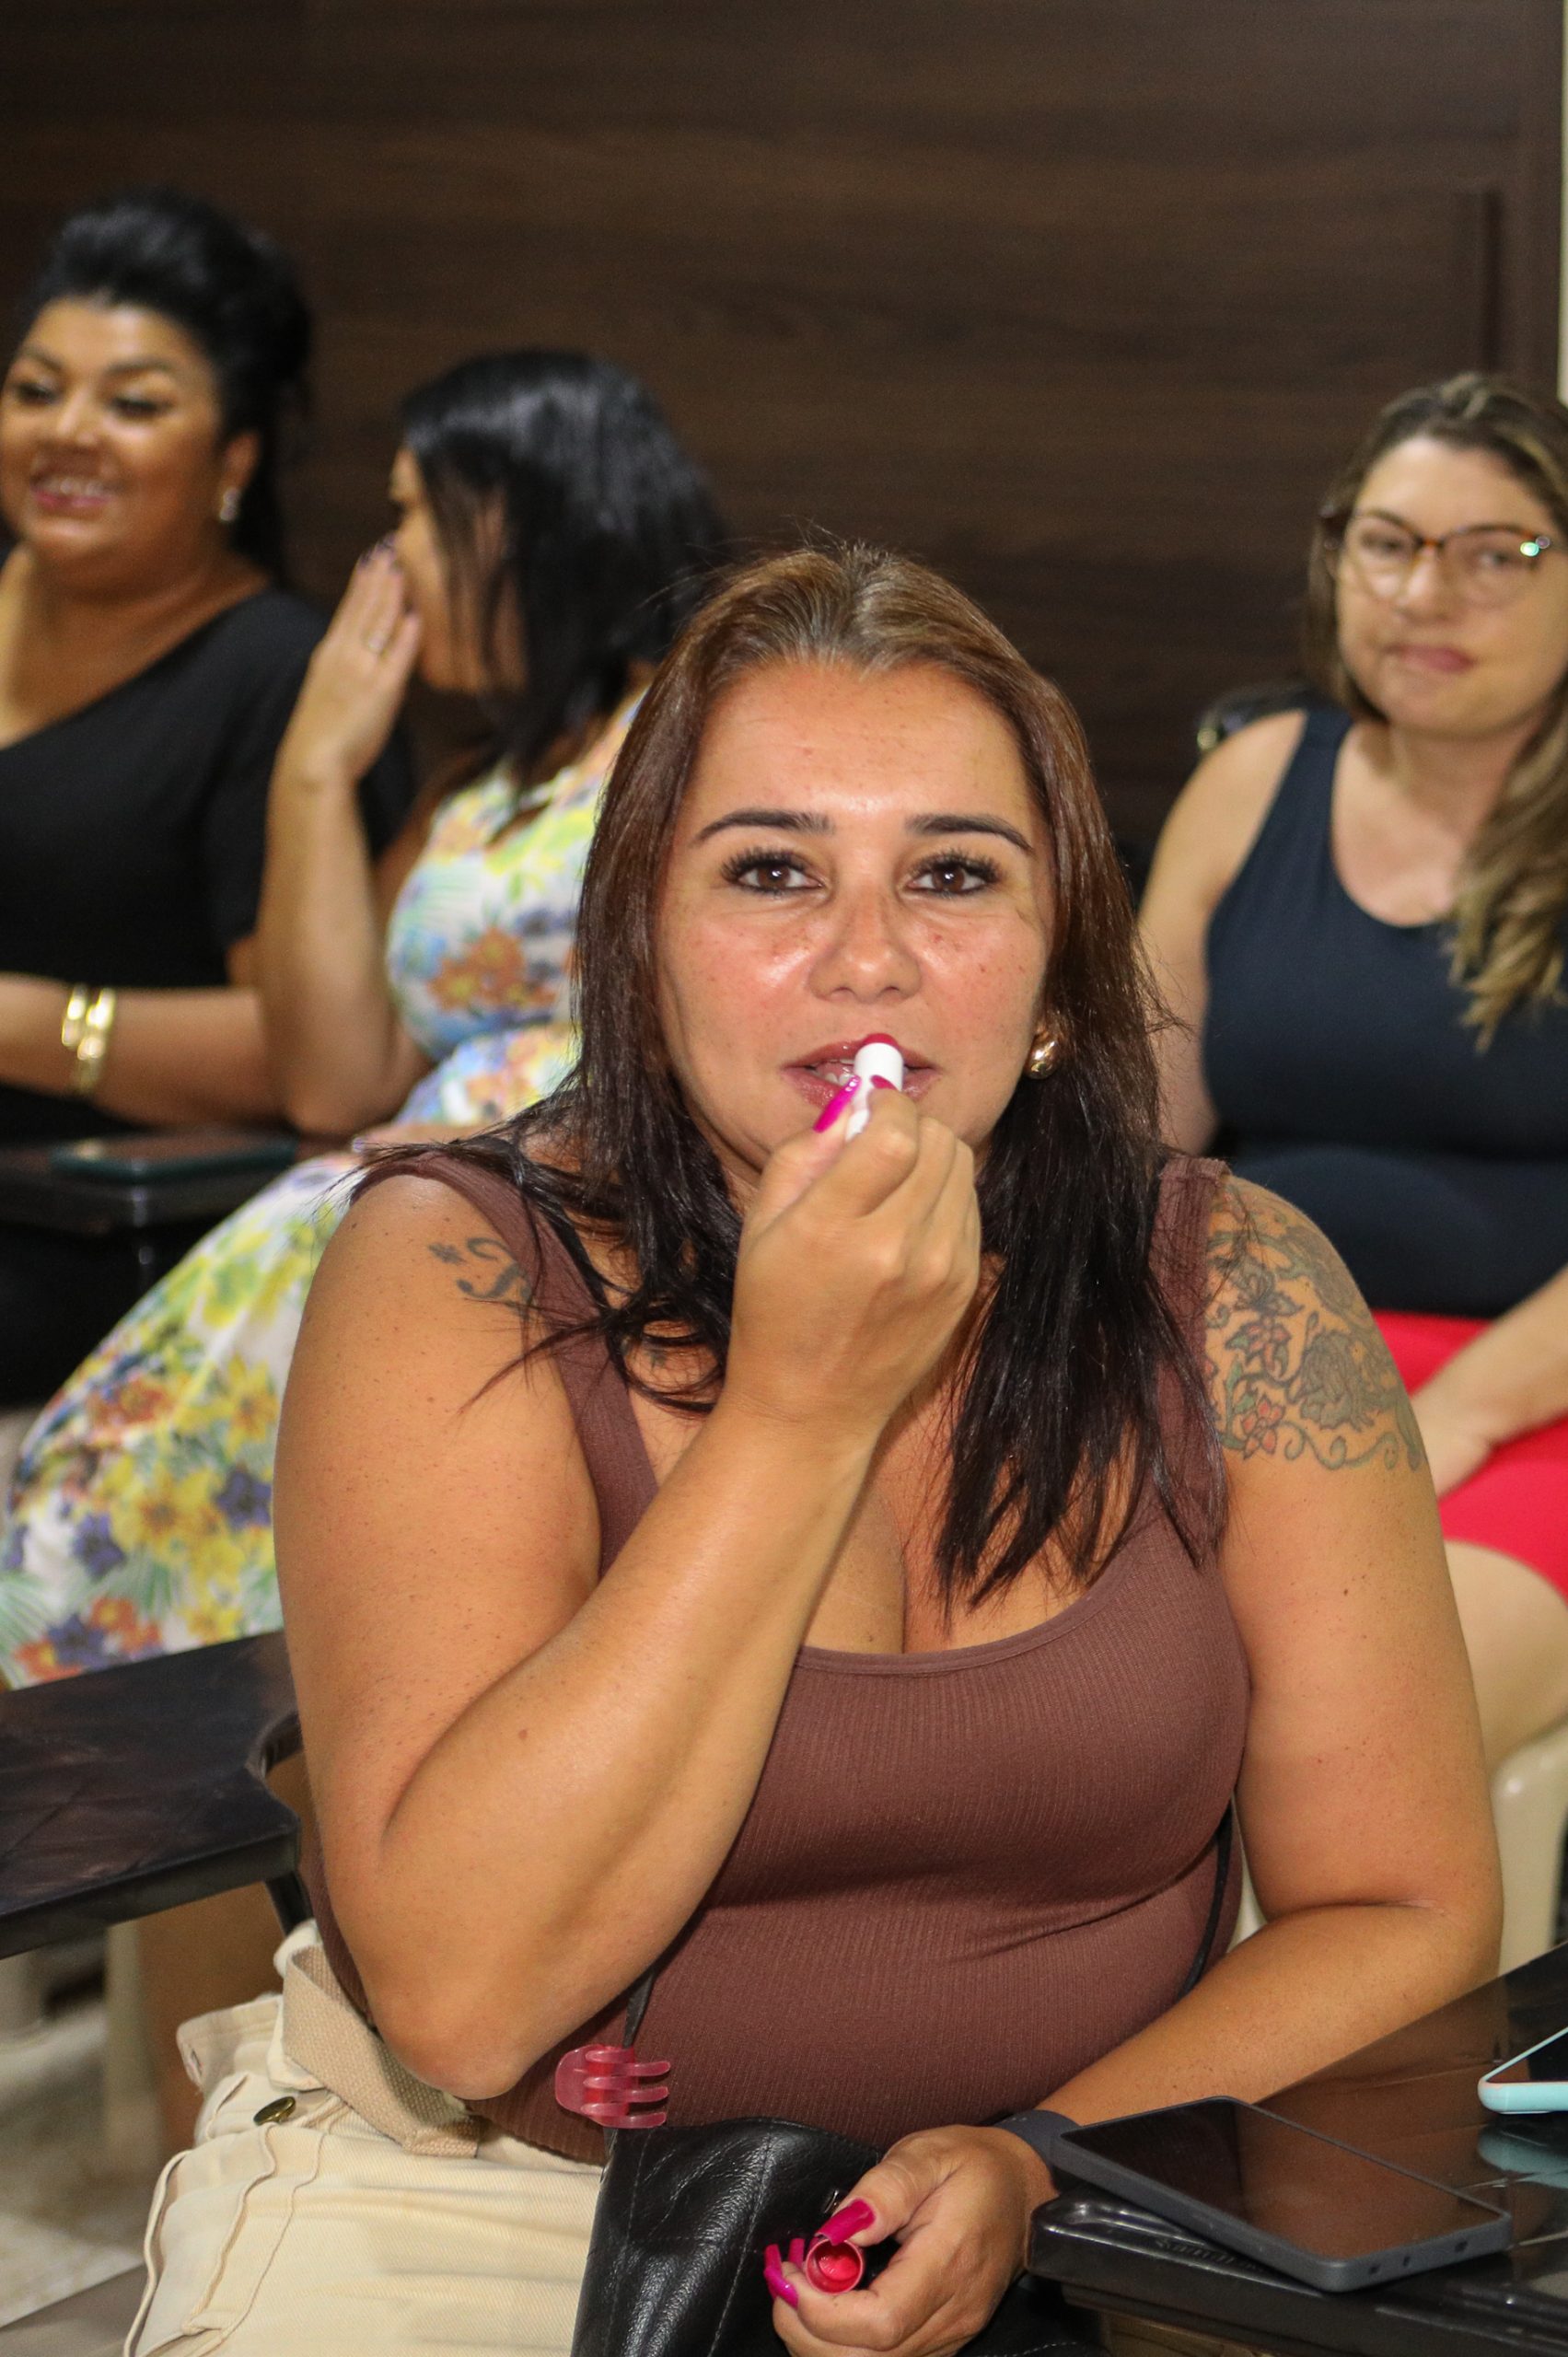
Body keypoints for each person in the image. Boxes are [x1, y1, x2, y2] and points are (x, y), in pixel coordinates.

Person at [123, 545, 1497, 2357]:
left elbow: (1402, 1902)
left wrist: (1037, 2162)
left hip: (1099, 2212)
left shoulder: (1234, 1287)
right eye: (772, 871)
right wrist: (794, 1415)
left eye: (953, 875)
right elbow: (462, 1998)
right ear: (641, 946)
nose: (867, 956)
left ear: (1064, 984)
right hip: (487, 2199)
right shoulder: (454, 1271)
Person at [0, 347, 725, 2146]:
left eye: (416, 515)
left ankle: (368, 2059)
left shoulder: (696, 732)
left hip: (544, 1225)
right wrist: (319, 767)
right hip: (367, 1210)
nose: (387, 564)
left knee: (289, 1662)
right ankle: (219, 2110)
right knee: (104, 1555)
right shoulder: (486, 776)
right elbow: (330, 1062)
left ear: (523, 513)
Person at [1141, 372, 1568, 1775]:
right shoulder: (1257, 776)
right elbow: (1132, 1127)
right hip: (1244, 1364)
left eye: (1495, 555)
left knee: (1363, 1738)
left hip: (1526, 1405)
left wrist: (1448, 1417)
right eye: (1387, 543)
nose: (1422, 596)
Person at [0, 188, 412, 1401]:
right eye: (35, 389)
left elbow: (311, 1050)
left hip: (92, 1223)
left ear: (231, 456)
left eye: (133, 404)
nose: (68, 433)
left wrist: (27, 1024)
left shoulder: (276, 678)